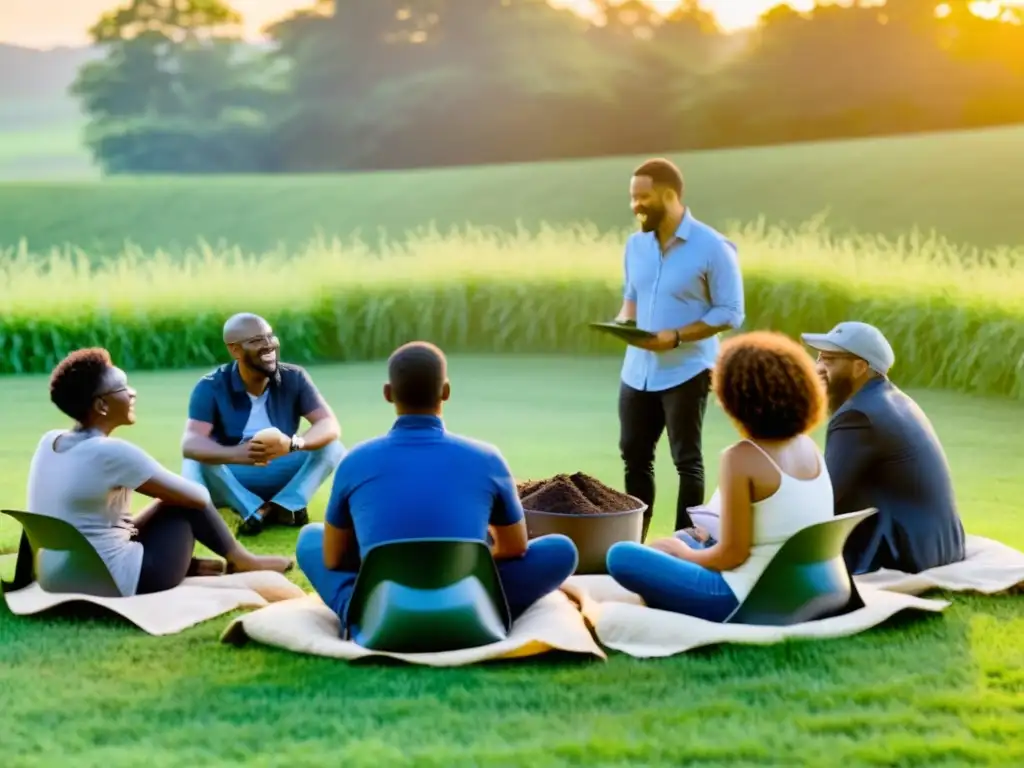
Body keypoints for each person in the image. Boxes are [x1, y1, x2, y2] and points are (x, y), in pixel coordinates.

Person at [295, 341, 579, 631]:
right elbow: (515, 547)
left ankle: (358, 615)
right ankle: (482, 610)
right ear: (446, 391)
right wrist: (459, 560)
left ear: (388, 394)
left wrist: (386, 553)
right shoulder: (488, 458)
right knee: (560, 550)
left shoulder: (354, 461)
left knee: (310, 540)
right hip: (467, 594)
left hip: (382, 602)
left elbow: (332, 557)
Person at [23, 348, 292, 598]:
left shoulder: (50, 441)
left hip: (57, 577)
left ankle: (197, 564)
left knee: (171, 501)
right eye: (123, 387)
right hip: (116, 581)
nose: (133, 393)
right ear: (102, 406)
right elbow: (198, 498)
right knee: (186, 503)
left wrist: (163, 502)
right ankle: (243, 560)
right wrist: (170, 501)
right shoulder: (111, 453)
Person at [605, 331, 833, 621]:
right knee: (683, 541)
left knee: (622, 555)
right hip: (804, 587)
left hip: (742, 597)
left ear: (735, 397)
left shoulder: (741, 457)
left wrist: (683, 554)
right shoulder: (809, 447)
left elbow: (731, 557)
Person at [613, 157, 745, 541]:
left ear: (669, 195)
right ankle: (634, 544)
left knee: (686, 461)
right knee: (634, 458)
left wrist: (676, 336)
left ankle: (684, 545)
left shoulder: (713, 247)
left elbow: (731, 312)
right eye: (632, 197)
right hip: (636, 371)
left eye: (642, 197)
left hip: (687, 369)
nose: (635, 205)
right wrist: (622, 323)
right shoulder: (635, 245)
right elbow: (631, 298)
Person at [801, 321, 966, 575]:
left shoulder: (857, 415)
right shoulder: (892, 399)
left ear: (860, 367)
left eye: (829, 360)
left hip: (907, 555)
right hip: (940, 547)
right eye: (819, 358)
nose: (817, 368)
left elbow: (825, 498)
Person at [181, 313, 345, 536]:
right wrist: (237, 454)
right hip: (232, 477)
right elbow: (191, 443)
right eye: (257, 340)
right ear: (235, 350)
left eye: (270, 336)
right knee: (195, 461)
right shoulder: (211, 385)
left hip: (279, 464)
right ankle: (252, 510)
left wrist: (293, 444)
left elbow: (328, 424)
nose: (268, 345)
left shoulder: (293, 377)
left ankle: (285, 506)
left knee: (333, 446)